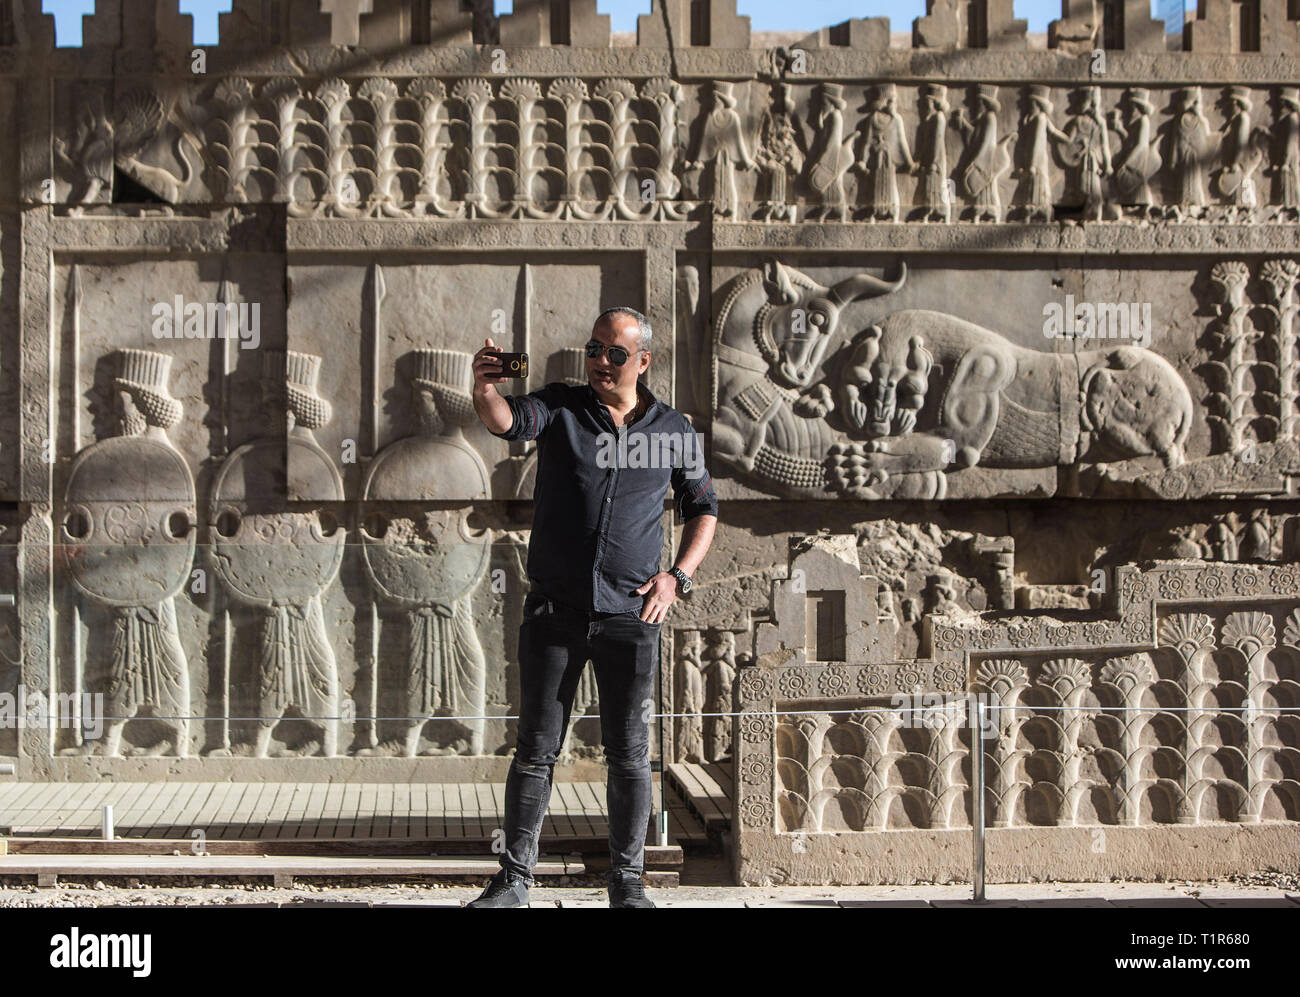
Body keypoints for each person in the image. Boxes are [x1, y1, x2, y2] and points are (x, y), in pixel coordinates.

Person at [466, 306, 718, 908]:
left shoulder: (673, 430)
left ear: (644, 361)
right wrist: (484, 389)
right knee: (535, 750)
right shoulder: (561, 408)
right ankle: (514, 879)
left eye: (616, 354)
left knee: (629, 754)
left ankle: (627, 884)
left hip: (632, 617)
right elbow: (507, 421)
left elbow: (704, 507)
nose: (602, 363)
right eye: (595, 349)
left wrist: (675, 578)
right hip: (556, 611)